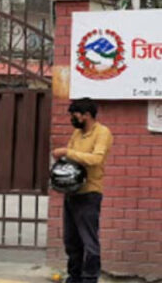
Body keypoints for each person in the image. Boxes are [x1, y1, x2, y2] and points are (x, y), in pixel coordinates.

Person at [52, 97, 113, 283]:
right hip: (72, 191)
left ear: (86, 115)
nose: (72, 118)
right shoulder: (77, 134)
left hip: (89, 193)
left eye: (75, 115)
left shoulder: (102, 133)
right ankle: (74, 276)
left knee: (89, 241)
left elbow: (96, 159)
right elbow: (71, 159)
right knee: (71, 240)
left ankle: (90, 278)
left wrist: (67, 152)